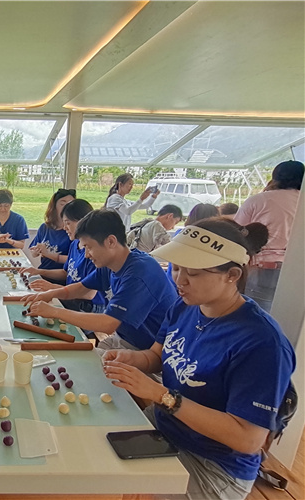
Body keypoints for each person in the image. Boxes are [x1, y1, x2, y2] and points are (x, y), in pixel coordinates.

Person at [102, 218, 294, 500]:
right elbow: (157, 356)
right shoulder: (185, 306)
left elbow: (248, 439)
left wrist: (162, 395)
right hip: (165, 428)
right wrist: (131, 359)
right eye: (176, 268)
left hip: (213, 466)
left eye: (192, 273)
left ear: (232, 275)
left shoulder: (262, 343)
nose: (179, 280)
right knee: (92, 451)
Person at [23, 210, 177, 351]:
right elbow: (81, 287)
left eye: (89, 247)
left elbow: (108, 323)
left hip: (149, 351)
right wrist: (49, 294)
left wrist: (55, 311)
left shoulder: (139, 272)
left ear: (111, 241)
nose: (86, 255)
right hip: (123, 339)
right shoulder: (110, 263)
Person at [235, 160, 304, 312]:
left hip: (261, 267)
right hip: (298, 268)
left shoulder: (258, 200)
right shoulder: (302, 200)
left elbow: (236, 234)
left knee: (257, 313)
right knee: (289, 315)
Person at [22, 199, 106, 314]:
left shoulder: (94, 251)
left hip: (87, 306)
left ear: (82, 221)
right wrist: (39, 271)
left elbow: (88, 294)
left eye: (68, 223)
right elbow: (66, 273)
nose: (64, 228)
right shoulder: (75, 244)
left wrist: (52, 288)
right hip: (70, 296)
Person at [28, 188, 76, 271]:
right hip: (43, 272)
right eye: (63, 204)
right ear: (54, 206)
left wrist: (48, 254)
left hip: (62, 277)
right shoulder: (45, 227)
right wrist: (37, 250)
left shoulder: (74, 231)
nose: (67, 208)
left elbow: (74, 260)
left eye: (71, 204)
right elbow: (33, 252)